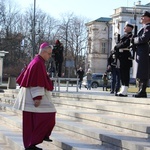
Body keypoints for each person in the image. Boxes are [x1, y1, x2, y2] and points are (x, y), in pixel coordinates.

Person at [13, 42, 56, 150]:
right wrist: (37, 98)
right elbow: (37, 81)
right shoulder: (38, 63)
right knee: (49, 115)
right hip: (33, 96)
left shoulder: (36, 61)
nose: (50, 56)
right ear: (44, 52)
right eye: (49, 54)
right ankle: (34, 142)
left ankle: (32, 143)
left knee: (31, 122)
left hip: (29, 95)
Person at [132, 11, 150, 98]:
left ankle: (142, 91)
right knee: (140, 72)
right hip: (141, 52)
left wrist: (135, 40)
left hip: (145, 52)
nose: (142, 18)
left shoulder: (148, 27)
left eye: (143, 16)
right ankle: (140, 90)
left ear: (148, 18)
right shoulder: (144, 27)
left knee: (143, 72)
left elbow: (144, 38)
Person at [115, 22, 133, 97]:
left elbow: (125, 44)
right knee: (122, 74)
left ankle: (125, 90)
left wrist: (118, 46)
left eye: (125, 27)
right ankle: (122, 89)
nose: (124, 28)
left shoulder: (130, 36)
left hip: (126, 56)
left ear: (130, 28)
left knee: (125, 74)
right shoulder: (124, 36)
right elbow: (118, 43)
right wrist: (118, 45)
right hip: (121, 57)